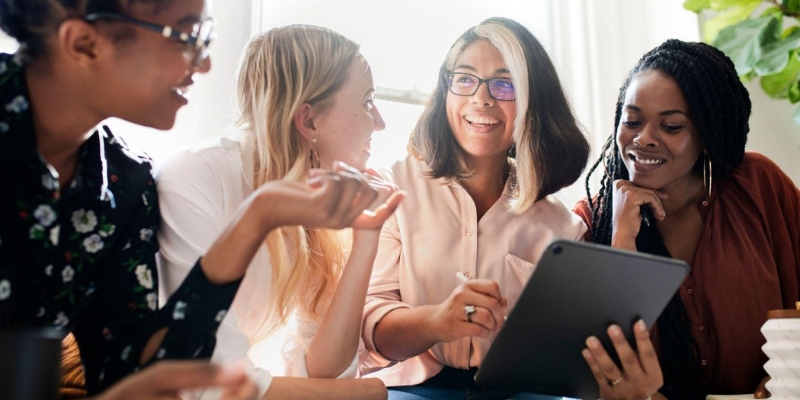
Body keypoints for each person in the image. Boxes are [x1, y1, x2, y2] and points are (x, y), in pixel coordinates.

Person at [0, 0, 382, 398]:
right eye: (186, 36)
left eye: (206, 39)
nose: (204, 65)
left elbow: (129, 367)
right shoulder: (179, 175)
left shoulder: (122, 182)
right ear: (84, 44)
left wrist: (257, 217)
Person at [156, 25, 402, 400]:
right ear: (308, 121)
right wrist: (364, 394)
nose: (380, 122)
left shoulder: (312, 201)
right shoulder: (193, 180)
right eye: (367, 102)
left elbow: (323, 370)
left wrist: (366, 240)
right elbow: (206, 382)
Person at [360, 17, 593, 399]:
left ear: (535, 102)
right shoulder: (395, 190)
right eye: (465, 79)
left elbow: (567, 352)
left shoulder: (562, 227)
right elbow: (371, 329)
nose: (481, 99)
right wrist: (437, 321)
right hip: (414, 390)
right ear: (446, 89)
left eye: (505, 84)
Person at [575, 39, 800, 399]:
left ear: (707, 135)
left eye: (672, 127)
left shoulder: (758, 185)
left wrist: (789, 373)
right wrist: (622, 242)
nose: (643, 139)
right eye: (632, 121)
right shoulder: (592, 222)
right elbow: (600, 371)